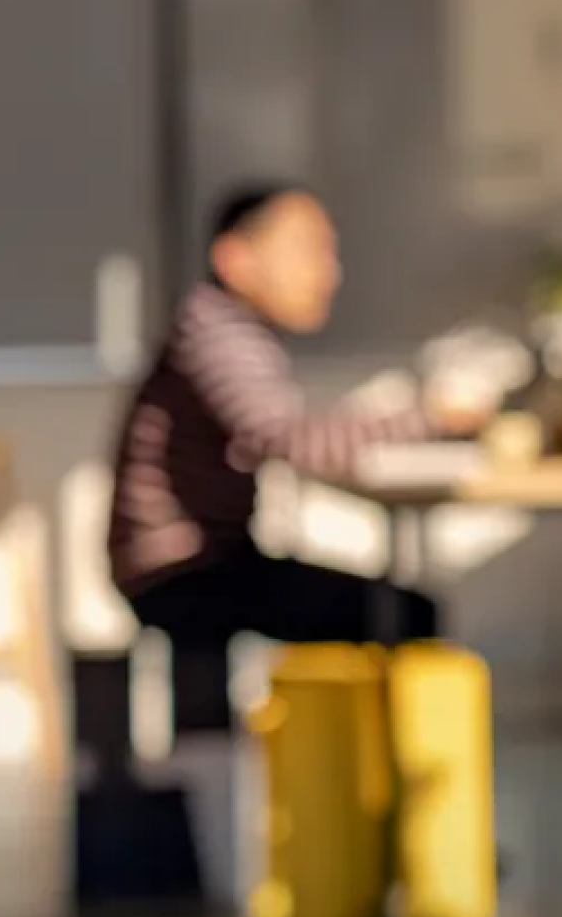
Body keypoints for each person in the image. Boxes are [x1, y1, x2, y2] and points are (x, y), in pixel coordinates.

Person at [108, 183, 489, 652]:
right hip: (178, 569)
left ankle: (359, 726)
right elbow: (291, 441)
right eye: (309, 251)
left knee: (392, 608)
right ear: (235, 258)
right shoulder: (217, 334)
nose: (329, 274)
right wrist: (431, 416)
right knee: (400, 613)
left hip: (206, 558)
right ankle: (375, 727)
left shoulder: (226, 327)